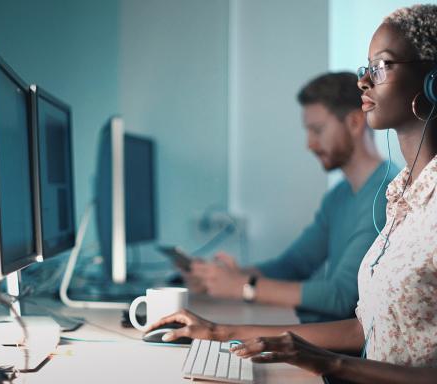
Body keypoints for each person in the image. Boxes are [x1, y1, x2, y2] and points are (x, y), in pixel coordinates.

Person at [149, 4, 437, 383]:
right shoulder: (402, 197)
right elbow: (364, 327)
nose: (363, 82)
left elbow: (340, 302)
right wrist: (219, 331)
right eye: (364, 69)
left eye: (381, 66)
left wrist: (329, 363)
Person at [185, 72, 399, 323]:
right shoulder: (339, 196)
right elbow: (294, 266)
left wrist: (244, 286)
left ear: (354, 122)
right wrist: (222, 278)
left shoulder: (388, 194)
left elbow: (343, 296)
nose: (309, 144)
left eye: (317, 130)